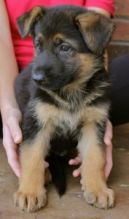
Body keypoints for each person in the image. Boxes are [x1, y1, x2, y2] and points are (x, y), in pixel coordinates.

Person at [0, 0, 114, 179]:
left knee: (95, 124)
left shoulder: (90, 28)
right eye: (39, 45)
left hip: (83, 81)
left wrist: (99, 112)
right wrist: (8, 109)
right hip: (12, 77)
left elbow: (97, 43)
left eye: (64, 48)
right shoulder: (38, 74)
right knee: (34, 126)